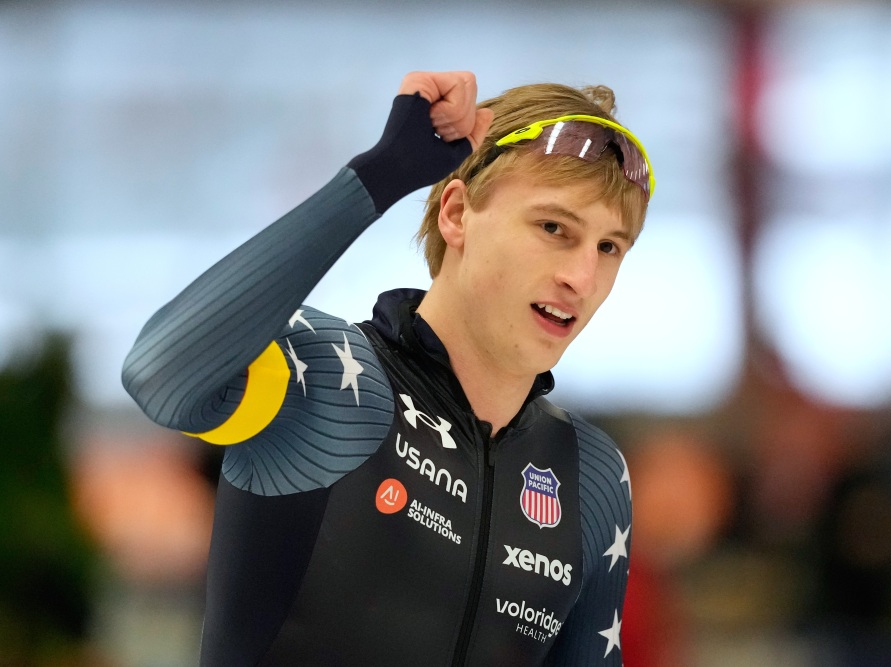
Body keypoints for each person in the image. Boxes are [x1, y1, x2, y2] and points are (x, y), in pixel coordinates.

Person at [122, 70, 652, 666]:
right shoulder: (330, 382)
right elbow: (157, 375)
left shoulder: (589, 473)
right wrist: (381, 175)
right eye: (553, 228)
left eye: (609, 247)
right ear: (457, 213)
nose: (581, 278)